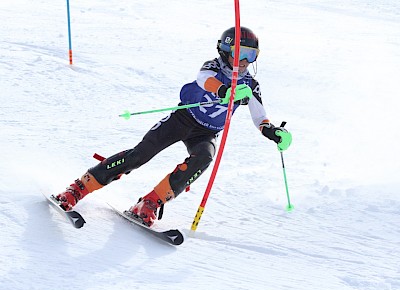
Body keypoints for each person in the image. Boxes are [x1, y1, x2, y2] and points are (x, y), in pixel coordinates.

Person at [55, 26, 292, 227]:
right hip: (182, 119)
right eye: (239, 54)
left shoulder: (251, 84)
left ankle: (149, 203)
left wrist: (273, 132)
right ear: (225, 51)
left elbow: (260, 116)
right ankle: (78, 189)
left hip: (206, 132)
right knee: (141, 155)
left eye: (250, 56)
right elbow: (203, 80)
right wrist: (225, 91)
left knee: (204, 158)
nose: (243, 62)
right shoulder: (213, 66)